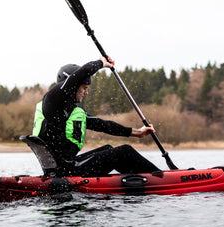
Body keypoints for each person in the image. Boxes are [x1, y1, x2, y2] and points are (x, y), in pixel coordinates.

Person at [32, 56, 161, 176]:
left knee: (108, 149)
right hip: (65, 170)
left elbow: (103, 125)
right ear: (72, 87)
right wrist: (100, 63)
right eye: (84, 88)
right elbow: (80, 75)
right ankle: (159, 177)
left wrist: (137, 132)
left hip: (67, 167)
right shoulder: (51, 102)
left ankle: (136, 181)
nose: (86, 92)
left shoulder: (71, 112)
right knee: (124, 151)